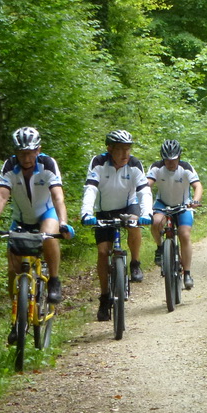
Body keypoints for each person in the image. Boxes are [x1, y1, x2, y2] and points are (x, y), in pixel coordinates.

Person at [0, 127, 75, 342]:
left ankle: (54, 280)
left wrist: (63, 223)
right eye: (22, 153)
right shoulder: (9, 166)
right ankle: (16, 319)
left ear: (38, 150)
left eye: (30, 152)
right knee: (13, 270)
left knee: (48, 236)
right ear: (16, 152)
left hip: (46, 214)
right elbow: (1, 196)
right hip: (21, 219)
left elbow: (57, 196)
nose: (26, 158)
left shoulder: (48, 164)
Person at [80, 129, 153, 321]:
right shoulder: (98, 162)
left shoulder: (134, 164)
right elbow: (90, 188)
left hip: (128, 205)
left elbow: (144, 191)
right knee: (103, 252)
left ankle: (135, 263)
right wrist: (86, 212)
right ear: (110, 149)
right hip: (104, 210)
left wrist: (147, 213)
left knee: (134, 224)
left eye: (128, 149)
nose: (125, 154)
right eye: (120, 149)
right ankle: (104, 297)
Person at [147, 139, 203, 290]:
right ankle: (160, 248)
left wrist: (195, 201)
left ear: (179, 157)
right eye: (167, 160)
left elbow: (197, 186)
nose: (170, 163)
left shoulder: (186, 167)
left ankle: (187, 273)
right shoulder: (156, 167)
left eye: (174, 159)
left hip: (183, 204)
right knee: (156, 222)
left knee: (184, 234)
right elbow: (147, 185)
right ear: (162, 158)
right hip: (162, 204)